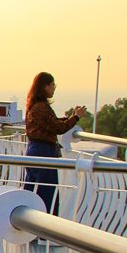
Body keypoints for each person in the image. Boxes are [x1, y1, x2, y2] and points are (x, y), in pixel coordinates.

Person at [23, 71, 87, 220]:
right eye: (52, 85)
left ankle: (29, 226)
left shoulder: (36, 106)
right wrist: (76, 117)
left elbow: (52, 122)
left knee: (32, 190)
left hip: (35, 150)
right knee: (47, 192)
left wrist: (70, 117)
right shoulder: (41, 107)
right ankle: (46, 230)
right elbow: (58, 128)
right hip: (42, 151)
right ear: (44, 86)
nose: (54, 88)